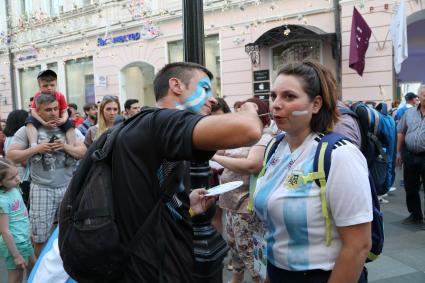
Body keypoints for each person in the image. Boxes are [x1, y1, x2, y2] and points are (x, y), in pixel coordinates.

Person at [111, 61, 263, 282]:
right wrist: (250, 109)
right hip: (149, 266)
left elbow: (152, 199)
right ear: (176, 86)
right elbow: (250, 130)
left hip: (157, 257)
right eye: (204, 89)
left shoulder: (152, 128)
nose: (212, 98)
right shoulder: (160, 122)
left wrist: (187, 205)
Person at [253, 60, 372, 283]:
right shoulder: (274, 148)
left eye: (289, 96)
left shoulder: (340, 154)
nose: (276, 104)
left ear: (316, 104)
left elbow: (358, 246)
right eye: (273, 96)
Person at [6, 94, 87, 256]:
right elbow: (11, 155)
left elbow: (83, 151)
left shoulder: (68, 128)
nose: (53, 113)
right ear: (39, 112)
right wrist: (37, 148)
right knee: (40, 238)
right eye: (48, 110)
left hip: (68, 187)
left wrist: (65, 147)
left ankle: (63, 270)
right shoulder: (27, 130)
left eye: (56, 109)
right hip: (42, 189)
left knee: (69, 233)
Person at [212, 97, 273, 283]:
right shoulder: (242, 135)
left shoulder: (265, 136)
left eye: (246, 111)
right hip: (230, 204)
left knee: (250, 251)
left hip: (245, 206)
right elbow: (220, 149)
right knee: (234, 247)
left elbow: (252, 165)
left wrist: (216, 158)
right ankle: (236, 280)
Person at [0, 158, 36, 283]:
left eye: (17, 174)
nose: (17, 178)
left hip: (24, 238)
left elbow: (22, 214)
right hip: (14, 244)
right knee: (16, 277)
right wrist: (16, 255)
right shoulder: (2, 201)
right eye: (11, 178)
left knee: (34, 267)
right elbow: (4, 231)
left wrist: (29, 231)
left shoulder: (14, 189)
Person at [25, 70, 76, 157]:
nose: (49, 88)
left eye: (52, 85)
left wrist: (63, 120)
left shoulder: (60, 96)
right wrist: (43, 122)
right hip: (42, 119)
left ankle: (71, 149)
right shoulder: (37, 96)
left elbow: (65, 111)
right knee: (29, 121)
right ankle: (33, 146)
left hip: (58, 119)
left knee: (70, 125)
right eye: (45, 86)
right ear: (39, 86)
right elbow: (33, 111)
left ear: (56, 84)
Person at [397, 85, 425, 226]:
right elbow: (401, 131)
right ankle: (415, 215)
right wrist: (398, 152)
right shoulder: (409, 113)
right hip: (410, 154)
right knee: (410, 187)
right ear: (418, 97)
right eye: (424, 95)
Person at [3, 110, 31, 207]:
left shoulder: (8, 137)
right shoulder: (18, 138)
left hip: (14, 176)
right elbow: (24, 162)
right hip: (22, 178)